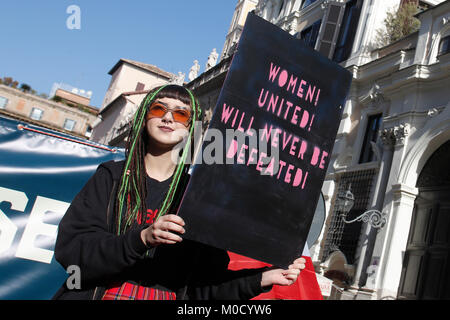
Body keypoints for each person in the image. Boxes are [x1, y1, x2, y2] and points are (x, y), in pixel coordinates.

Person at [53, 84, 306, 300]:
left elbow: (204, 288)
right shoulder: (112, 176)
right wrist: (141, 239)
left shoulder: (199, 195)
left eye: (181, 114)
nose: (168, 118)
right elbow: (73, 254)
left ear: (192, 128)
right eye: (158, 109)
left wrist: (261, 278)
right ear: (144, 118)